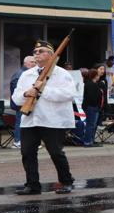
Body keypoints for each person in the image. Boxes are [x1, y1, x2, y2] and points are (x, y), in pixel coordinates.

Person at [13, 40, 79, 194]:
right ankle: (32, 185)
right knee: (27, 153)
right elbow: (16, 98)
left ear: (51, 55)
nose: (36, 54)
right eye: (35, 52)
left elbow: (69, 94)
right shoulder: (26, 74)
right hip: (30, 119)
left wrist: (43, 90)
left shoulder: (62, 73)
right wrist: (25, 93)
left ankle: (66, 181)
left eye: (40, 51)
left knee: (56, 152)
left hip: (53, 120)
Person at [9, 55, 35, 145]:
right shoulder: (20, 74)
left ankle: (24, 140)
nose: (34, 64)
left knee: (24, 121)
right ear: (25, 63)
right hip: (21, 102)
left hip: (26, 102)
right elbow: (16, 91)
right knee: (20, 121)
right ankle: (18, 141)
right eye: (32, 62)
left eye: (35, 62)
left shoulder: (28, 73)